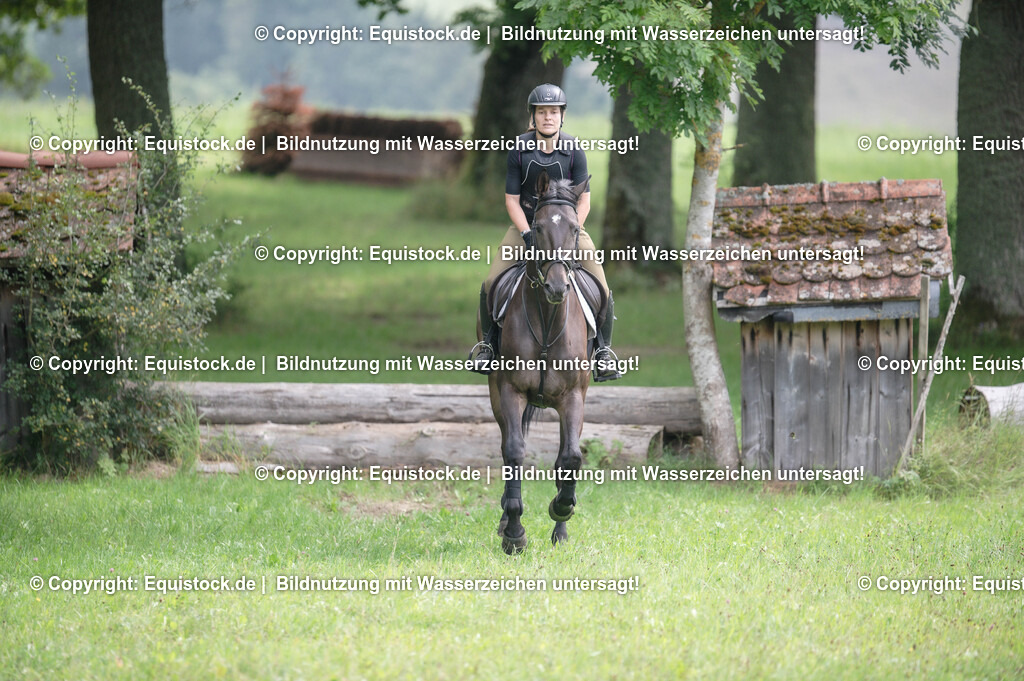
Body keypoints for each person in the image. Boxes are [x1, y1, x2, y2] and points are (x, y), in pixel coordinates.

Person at [468, 83, 621, 382]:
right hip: (525, 226)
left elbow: (585, 199)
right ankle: (488, 345)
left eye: (553, 112)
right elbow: (511, 200)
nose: (547, 117)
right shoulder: (519, 150)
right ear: (533, 117)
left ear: (562, 116)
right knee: (490, 282)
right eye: (542, 112)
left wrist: (572, 229)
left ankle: (603, 351)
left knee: (601, 285)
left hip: (567, 230)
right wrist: (526, 234)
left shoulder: (574, 149)